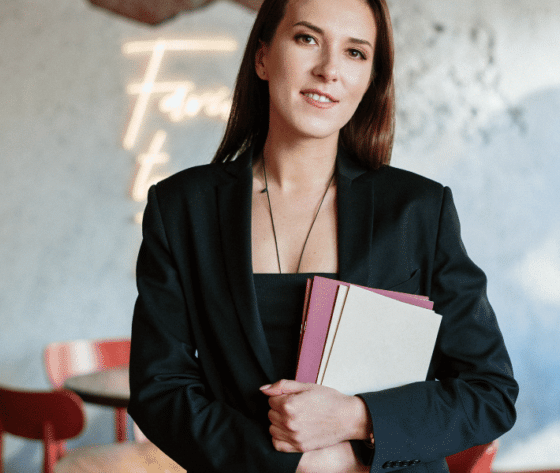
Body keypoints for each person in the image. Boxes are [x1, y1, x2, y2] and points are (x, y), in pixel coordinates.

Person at [128, 0, 518, 471]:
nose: (329, 69)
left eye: (355, 52)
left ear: (371, 78)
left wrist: (358, 418)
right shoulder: (181, 207)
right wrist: (297, 465)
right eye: (307, 39)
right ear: (262, 57)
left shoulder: (419, 210)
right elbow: (160, 388)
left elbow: (490, 392)